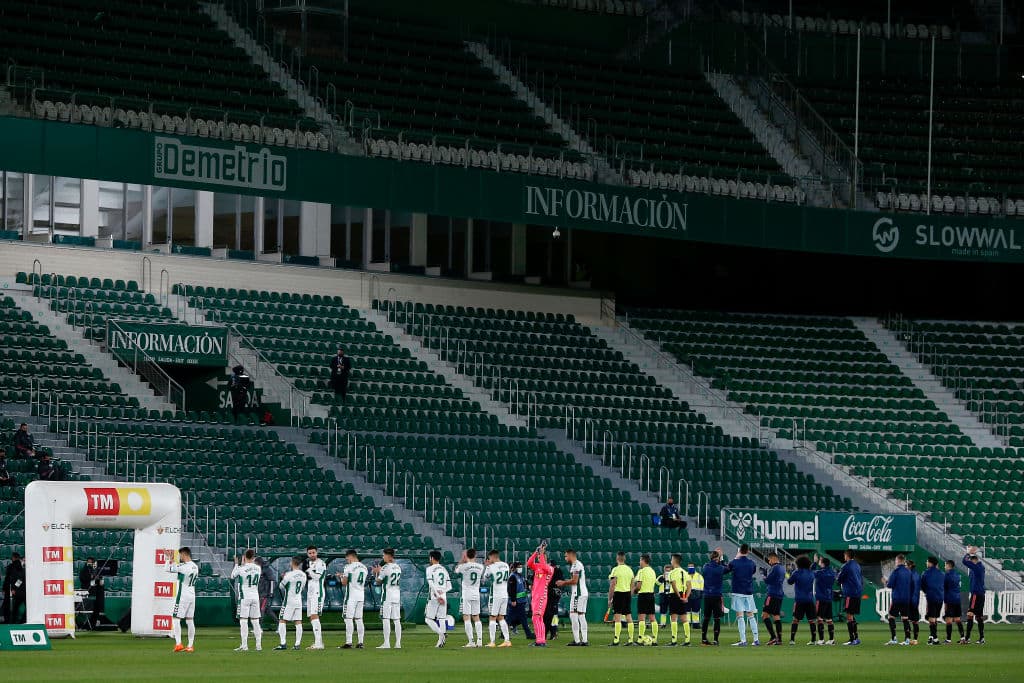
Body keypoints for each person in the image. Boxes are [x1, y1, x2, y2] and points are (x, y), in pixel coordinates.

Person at [726, 543, 760, 646]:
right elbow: (753, 572)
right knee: (751, 615)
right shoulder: (752, 563)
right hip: (748, 592)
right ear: (748, 551)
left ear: (739, 551)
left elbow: (726, 569)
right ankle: (756, 639)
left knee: (740, 615)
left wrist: (736, 558)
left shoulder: (734, 562)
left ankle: (743, 640)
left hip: (738, 592)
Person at [167, 547, 199, 652]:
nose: (180, 557)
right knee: (190, 620)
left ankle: (178, 644)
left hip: (182, 595)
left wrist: (169, 559)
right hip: (192, 595)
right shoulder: (195, 566)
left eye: (180, 555)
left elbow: (167, 568)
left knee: (176, 619)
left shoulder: (183, 567)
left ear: (184, 555)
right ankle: (190, 645)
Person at [231, 549, 263, 651]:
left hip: (245, 597)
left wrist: (237, 564)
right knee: (255, 621)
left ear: (244, 557)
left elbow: (232, 576)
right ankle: (258, 645)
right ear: (254, 557)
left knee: (243, 621)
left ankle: (244, 646)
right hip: (255, 596)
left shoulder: (241, 568)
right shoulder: (258, 568)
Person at [556, 548, 589, 647]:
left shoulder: (576, 565)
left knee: (573, 615)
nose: (565, 558)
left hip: (578, 594)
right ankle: (585, 640)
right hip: (582, 593)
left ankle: (577, 640)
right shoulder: (578, 564)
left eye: (566, 556)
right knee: (581, 616)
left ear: (571, 555)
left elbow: (574, 581)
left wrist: (563, 582)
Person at [454, 548, 484, 648]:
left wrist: (462, 560)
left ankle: (471, 641)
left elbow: (456, 571)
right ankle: (479, 641)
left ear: (466, 555)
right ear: (475, 556)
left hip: (466, 594)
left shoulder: (463, 566)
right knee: (476, 617)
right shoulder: (481, 567)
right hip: (476, 594)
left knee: (466, 617)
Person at [337, 549, 367, 649]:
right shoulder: (364, 567)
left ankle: (349, 642)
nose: (347, 560)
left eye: (347, 558)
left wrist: (341, 577)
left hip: (351, 596)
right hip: (361, 595)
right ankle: (360, 642)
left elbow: (344, 583)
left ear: (350, 556)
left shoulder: (348, 567)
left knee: (348, 618)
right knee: (359, 619)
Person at [275, 556, 307, 650]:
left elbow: (281, 586)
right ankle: (297, 644)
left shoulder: (289, 575)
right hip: (298, 600)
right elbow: (302, 587)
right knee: (298, 622)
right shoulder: (303, 575)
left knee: (282, 620)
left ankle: (283, 643)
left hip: (289, 600)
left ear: (292, 563)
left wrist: (282, 578)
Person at [527, 543, 554, 647]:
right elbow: (529, 564)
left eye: (541, 556)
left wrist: (541, 553)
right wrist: (536, 552)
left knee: (537, 616)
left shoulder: (550, 569)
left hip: (542, 595)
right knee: (536, 618)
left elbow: (543, 565)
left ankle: (540, 640)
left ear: (545, 557)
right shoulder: (538, 567)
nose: (539, 558)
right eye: (539, 557)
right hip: (535, 595)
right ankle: (540, 640)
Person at [374, 548, 403, 649]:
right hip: (397, 595)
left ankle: (387, 643)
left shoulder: (385, 568)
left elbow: (378, 582)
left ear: (389, 556)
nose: (383, 557)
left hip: (387, 596)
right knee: (396, 620)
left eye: (384, 555)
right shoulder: (398, 567)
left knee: (385, 619)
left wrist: (376, 572)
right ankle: (398, 643)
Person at [882, 554, 913, 646]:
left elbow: (890, 585)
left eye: (895, 561)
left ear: (898, 561)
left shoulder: (896, 571)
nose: (895, 562)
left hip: (897, 598)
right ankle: (907, 639)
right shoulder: (909, 572)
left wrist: (885, 581)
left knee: (891, 617)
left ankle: (894, 638)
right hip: (906, 598)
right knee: (905, 618)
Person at [483, 549, 511, 648]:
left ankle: (492, 641)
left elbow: (484, 579)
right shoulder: (506, 565)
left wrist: (486, 567)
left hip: (496, 595)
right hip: (505, 594)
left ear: (493, 557)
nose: (489, 559)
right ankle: (507, 640)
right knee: (501, 617)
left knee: (492, 617)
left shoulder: (491, 566)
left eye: (489, 558)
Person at [424, 550, 452, 648]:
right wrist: (442, 592)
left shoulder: (429, 569)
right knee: (442, 619)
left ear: (432, 558)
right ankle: (440, 642)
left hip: (434, 596)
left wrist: (437, 594)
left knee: (428, 619)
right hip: (443, 596)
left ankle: (441, 634)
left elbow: (431, 583)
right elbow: (450, 586)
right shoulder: (444, 569)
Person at [607, 551, 635, 646]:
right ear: (624, 559)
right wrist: (629, 595)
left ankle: (616, 640)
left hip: (618, 593)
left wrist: (610, 599)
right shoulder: (629, 570)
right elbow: (632, 585)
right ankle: (631, 640)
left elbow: (612, 585)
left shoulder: (615, 570)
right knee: (628, 616)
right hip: (627, 593)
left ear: (617, 558)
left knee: (617, 617)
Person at [787, 555, 816, 645]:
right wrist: (815, 562)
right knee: (811, 620)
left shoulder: (796, 572)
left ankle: (792, 640)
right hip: (809, 600)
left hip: (799, 600)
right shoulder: (811, 573)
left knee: (795, 620)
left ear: (798, 563)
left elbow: (789, 581)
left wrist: (788, 573)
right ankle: (813, 640)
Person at [837, 549, 863, 645]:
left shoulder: (846, 566)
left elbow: (839, 579)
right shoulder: (857, 565)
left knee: (849, 616)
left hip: (850, 593)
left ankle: (852, 639)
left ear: (847, 555)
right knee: (852, 615)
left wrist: (837, 577)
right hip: (857, 593)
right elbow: (861, 579)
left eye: (844, 555)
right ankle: (856, 638)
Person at [700, 548, 726, 646]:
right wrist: (721, 557)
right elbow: (726, 568)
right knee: (717, 618)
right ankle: (715, 640)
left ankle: (703, 639)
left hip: (707, 595)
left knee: (706, 618)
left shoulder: (705, 567)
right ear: (718, 559)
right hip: (716, 595)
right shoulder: (720, 568)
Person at [303, 545, 326, 649]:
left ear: (317, 552)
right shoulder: (308, 563)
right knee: (312, 617)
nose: (312, 554)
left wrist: (308, 570)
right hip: (311, 593)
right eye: (310, 553)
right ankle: (318, 642)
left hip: (318, 592)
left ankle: (318, 643)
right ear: (307, 554)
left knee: (314, 616)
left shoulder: (320, 563)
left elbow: (317, 577)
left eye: (313, 552)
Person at [633, 554, 660, 646]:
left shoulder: (642, 571)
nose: (639, 562)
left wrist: (635, 591)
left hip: (643, 595)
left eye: (640, 560)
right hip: (651, 595)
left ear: (643, 560)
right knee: (652, 617)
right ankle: (655, 639)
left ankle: (640, 639)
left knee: (641, 617)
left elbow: (639, 585)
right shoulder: (652, 571)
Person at [962, 546, 986, 644]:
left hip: (976, 595)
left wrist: (968, 553)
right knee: (979, 617)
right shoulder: (979, 567)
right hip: (980, 594)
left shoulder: (976, 567)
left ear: (974, 561)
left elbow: (964, 561)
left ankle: (967, 638)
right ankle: (982, 638)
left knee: (970, 615)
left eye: (971, 562)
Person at [665, 553, 690, 646]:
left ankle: (674, 640)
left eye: (671, 559)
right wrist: (686, 597)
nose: (671, 561)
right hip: (683, 594)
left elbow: (674, 584)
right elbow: (689, 586)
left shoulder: (672, 572)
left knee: (674, 618)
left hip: (675, 595)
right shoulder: (685, 572)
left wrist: (678, 596)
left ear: (674, 561)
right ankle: (687, 640)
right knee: (684, 618)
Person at [505, 562, 535, 641]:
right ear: (514, 568)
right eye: (519, 567)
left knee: (518, 618)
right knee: (515, 618)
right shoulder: (513, 577)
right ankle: (528, 634)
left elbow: (523, 585)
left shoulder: (520, 576)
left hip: (521, 601)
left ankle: (528, 634)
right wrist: (513, 600)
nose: (520, 568)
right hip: (516, 602)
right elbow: (511, 590)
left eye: (521, 566)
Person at [761, 552, 785, 645]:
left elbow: (767, 581)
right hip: (779, 594)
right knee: (776, 616)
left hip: (772, 594)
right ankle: (779, 639)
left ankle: (773, 637)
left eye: (769, 560)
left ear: (773, 559)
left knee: (764, 615)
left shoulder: (774, 568)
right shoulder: (782, 568)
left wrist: (763, 574)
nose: (769, 562)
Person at [920, 556, 945, 645]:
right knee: (934, 618)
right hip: (940, 598)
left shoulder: (925, 573)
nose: (926, 563)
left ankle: (935, 638)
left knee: (931, 618)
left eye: (927, 561)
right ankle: (931, 637)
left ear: (930, 563)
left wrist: (927, 591)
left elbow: (922, 585)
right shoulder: (942, 573)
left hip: (931, 597)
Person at [813, 555, 837, 645]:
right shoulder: (832, 572)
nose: (819, 562)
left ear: (823, 564)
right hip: (829, 598)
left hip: (821, 598)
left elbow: (811, 571)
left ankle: (821, 639)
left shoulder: (820, 572)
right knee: (829, 619)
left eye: (820, 561)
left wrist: (815, 562)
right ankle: (831, 639)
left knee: (819, 618)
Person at [79, 557, 105, 630]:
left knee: (97, 607)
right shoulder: (84, 570)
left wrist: (98, 579)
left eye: (91, 562)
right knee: (88, 607)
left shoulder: (96, 570)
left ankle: (95, 622)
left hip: (96, 592)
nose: (90, 563)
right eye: (89, 562)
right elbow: (83, 579)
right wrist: (92, 577)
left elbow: (100, 582)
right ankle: (86, 624)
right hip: (87, 591)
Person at [943, 559, 965, 644]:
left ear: (948, 566)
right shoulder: (957, 575)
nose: (944, 567)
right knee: (957, 619)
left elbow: (944, 587)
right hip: (957, 599)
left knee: (948, 620)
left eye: (945, 565)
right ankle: (963, 638)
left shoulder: (947, 575)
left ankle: (948, 639)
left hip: (950, 599)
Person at [3, 552, 25, 624]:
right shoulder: (22, 566)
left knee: (15, 608)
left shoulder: (12, 566)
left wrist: (14, 588)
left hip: (17, 591)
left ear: (13, 558)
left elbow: (19, 579)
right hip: (22, 590)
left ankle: (13, 622)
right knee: (16, 607)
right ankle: (20, 621)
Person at [544, 562, 564, 641]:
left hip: (551, 596)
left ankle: (552, 632)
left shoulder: (555, 571)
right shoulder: (558, 571)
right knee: (554, 616)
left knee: (549, 616)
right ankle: (553, 633)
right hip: (554, 596)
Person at [256, 556, 276, 628]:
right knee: (268, 611)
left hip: (265, 594)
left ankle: (259, 628)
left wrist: (270, 593)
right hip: (259, 593)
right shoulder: (259, 569)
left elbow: (272, 581)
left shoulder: (267, 569)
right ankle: (279, 625)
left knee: (262, 610)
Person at [906, 559, 921, 645]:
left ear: (910, 566)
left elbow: (913, 590)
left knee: (907, 620)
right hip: (914, 600)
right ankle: (914, 639)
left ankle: (908, 639)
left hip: (910, 600)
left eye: (906, 565)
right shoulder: (916, 575)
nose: (905, 567)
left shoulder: (912, 575)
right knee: (915, 621)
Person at [685, 561, 703, 630]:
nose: (690, 568)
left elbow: (702, 585)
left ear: (694, 567)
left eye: (692, 566)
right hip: (688, 593)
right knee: (687, 610)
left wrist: (701, 593)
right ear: (687, 567)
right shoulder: (685, 575)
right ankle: (688, 623)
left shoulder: (699, 576)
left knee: (696, 610)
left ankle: (696, 624)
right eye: (689, 566)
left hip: (697, 594)